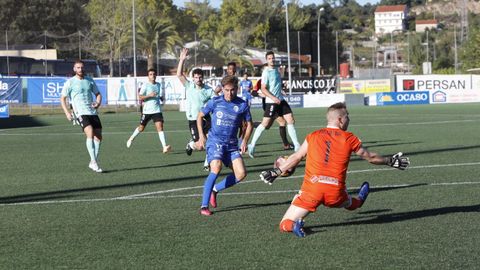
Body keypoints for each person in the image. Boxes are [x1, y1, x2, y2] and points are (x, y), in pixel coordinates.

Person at [260, 102, 410, 237]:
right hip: (335, 192)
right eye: (347, 117)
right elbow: (370, 157)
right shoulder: (349, 138)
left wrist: (276, 172)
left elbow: (297, 157)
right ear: (340, 120)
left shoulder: (313, 136)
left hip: (313, 190)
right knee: (351, 204)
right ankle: (360, 200)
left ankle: (294, 225)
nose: (349, 120)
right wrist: (390, 161)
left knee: (284, 223)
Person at [196, 75, 253, 216]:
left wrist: (245, 140)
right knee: (216, 167)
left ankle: (215, 190)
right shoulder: (215, 102)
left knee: (241, 174)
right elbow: (199, 116)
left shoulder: (242, 104)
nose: (229, 93)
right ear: (222, 89)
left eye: (232, 90)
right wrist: (202, 136)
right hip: (215, 141)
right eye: (226, 90)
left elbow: (250, 124)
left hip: (232, 145)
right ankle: (204, 206)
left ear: (237, 89)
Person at [248, 51, 300, 158]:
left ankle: (296, 146)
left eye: (273, 58)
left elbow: (276, 85)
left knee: (290, 120)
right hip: (272, 102)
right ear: (267, 60)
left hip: (280, 100)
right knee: (265, 124)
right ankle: (252, 145)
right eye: (270, 58)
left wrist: (281, 90)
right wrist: (273, 98)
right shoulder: (266, 72)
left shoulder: (276, 70)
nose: (272, 60)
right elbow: (263, 88)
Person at [60, 60, 104, 173]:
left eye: (82, 67)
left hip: (92, 112)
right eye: (78, 68)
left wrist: (98, 103)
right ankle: (94, 162)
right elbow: (62, 98)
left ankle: (92, 161)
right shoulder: (70, 82)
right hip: (80, 112)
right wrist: (67, 113)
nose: (80, 69)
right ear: (74, 69)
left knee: (98, 136)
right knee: (89, 131)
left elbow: (98, 94)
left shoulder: (89, 80)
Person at [176, 48, 215, 169]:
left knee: (210, 141)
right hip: (193, 119)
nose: (198, 79)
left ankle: (206, 163)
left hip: (205, 118)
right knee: (200, 146)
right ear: (193, 78)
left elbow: (216, 101)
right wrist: (182, 60)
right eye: (196, 77)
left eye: (200, 77)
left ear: (203, 78)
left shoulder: (208, 90)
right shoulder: (189, 86)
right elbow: (179, 75)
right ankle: (191, 145)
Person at [126, 68, 171, 153]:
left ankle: (164, 146)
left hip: (157, 110)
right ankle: (131, 138)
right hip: (147, 111)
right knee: (141, 128)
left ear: (156, 75)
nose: (152, 76)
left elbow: (157, 95)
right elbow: (140, 97)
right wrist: (149, 95)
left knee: (160, 127)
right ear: (148, 76)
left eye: (154, 74)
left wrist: (160, 97)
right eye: (150, 74)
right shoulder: (145, 85)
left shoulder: (158, 85)